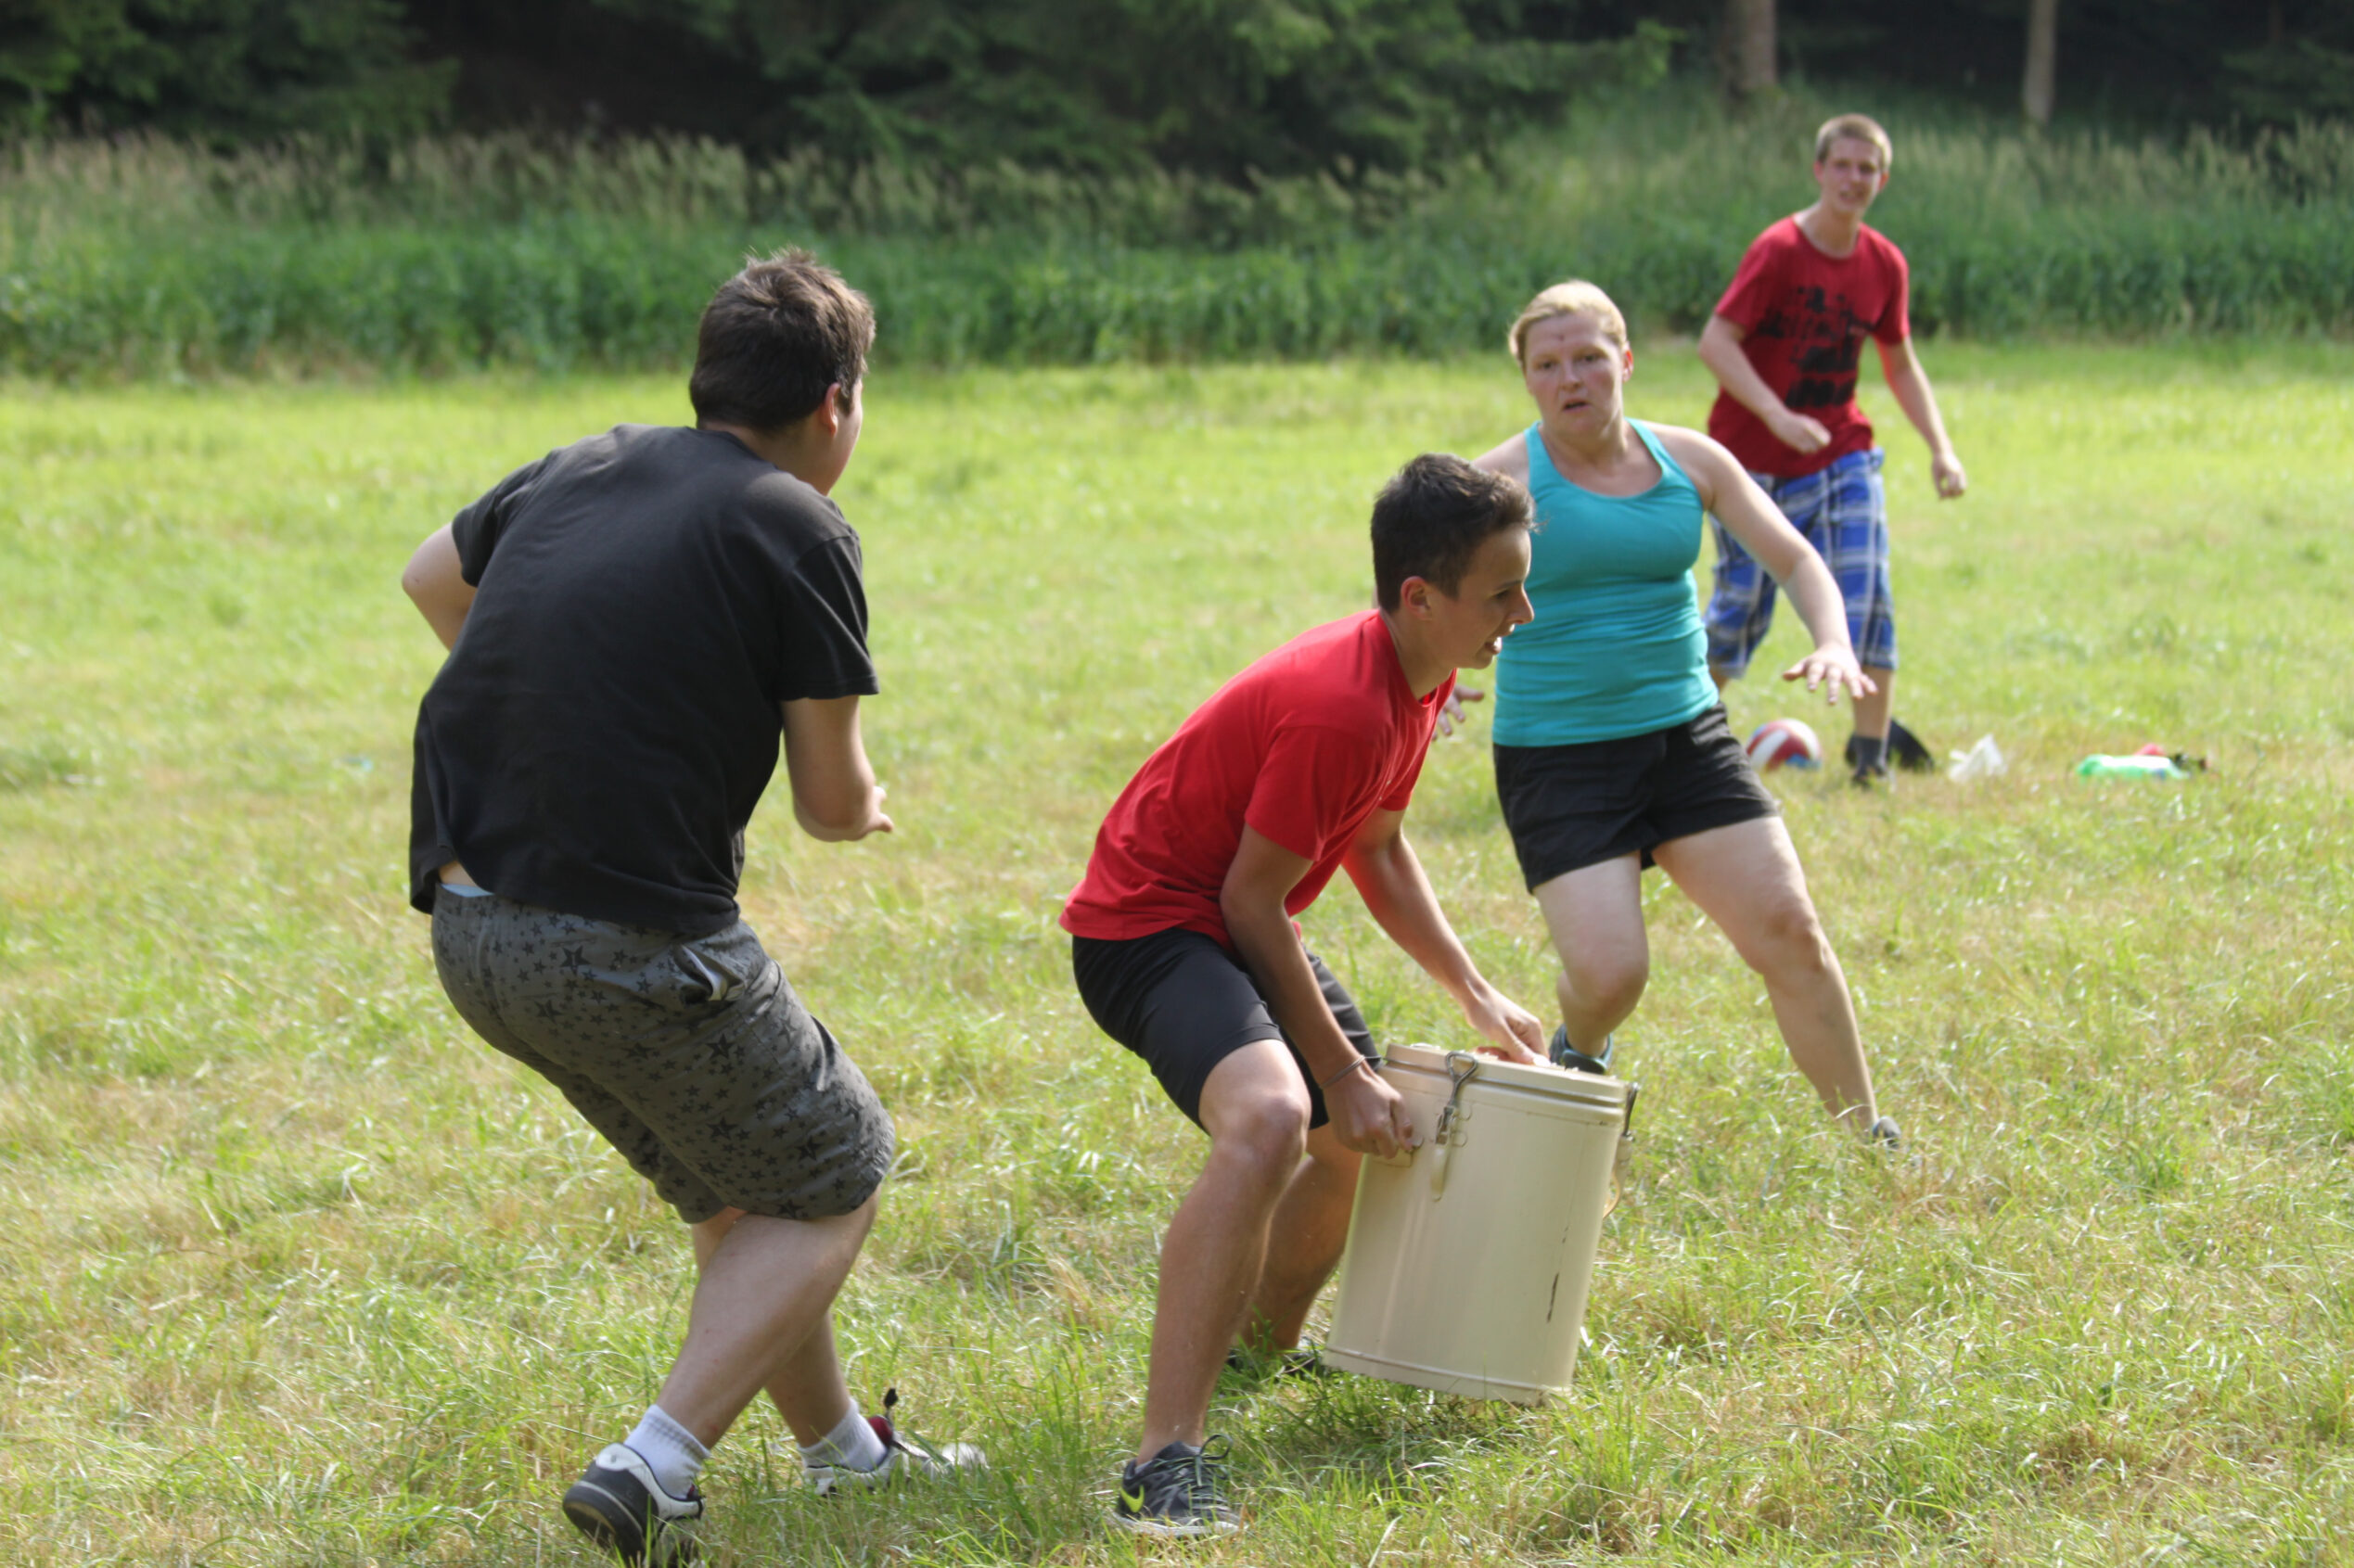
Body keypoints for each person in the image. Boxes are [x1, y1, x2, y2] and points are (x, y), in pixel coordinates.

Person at [401, 249, 979, 1568]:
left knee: (742, 1187)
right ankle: (653, 1464)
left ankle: (842, 1457)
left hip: (473, 929)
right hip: (622, 940)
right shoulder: (798, 523)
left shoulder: (577, 465)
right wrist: (871, 804)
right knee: (838, 1170)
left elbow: (432, 577)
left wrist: (565, 698)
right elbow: (829, 803)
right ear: (836, 401)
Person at [1061, 454, 1547, 1538]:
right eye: (1502, 593)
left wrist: (1474, 993)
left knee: (1355, 1143)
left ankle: (1256, 1355)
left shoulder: (1421, 676)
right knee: (1277, 1117)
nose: (1521, 614)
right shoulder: (1344, 709)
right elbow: (1250, 900)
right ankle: (1161, 1463)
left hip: (1226, 916)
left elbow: (1378, 845)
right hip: (1146, 927)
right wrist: (1339, 1069)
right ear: (1420, 597)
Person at [1472, 279, 1898, 1141]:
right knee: (1611, 976)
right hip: (1558, 754)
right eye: (1547, 364)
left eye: (1589, 357)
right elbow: (1419, 595)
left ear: (1625, 360)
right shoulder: (1496, 483)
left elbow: (1795, 558)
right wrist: (1434, 680)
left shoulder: (1691, 461)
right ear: (1527, 380)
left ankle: (1868, 1137)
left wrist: (1835, 641)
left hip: (1686, 740)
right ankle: (1580, 1044)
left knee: (1790, 929)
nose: (1570, 378)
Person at [1696, 112, 1968, 785]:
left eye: (1866, 168)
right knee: (1740, 608)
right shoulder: (1778, 250)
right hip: (1751, 461)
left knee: (1865, 590)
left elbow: (1899, 362)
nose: (1853, 179)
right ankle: (1681, 741)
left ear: (1883, 179)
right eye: (1841, 165)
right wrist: (1775, 414)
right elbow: (1716, 342)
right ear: (1819, 170)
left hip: (1841, 451)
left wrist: (1941, 448)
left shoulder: (1884, 263)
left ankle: (1870, 760)